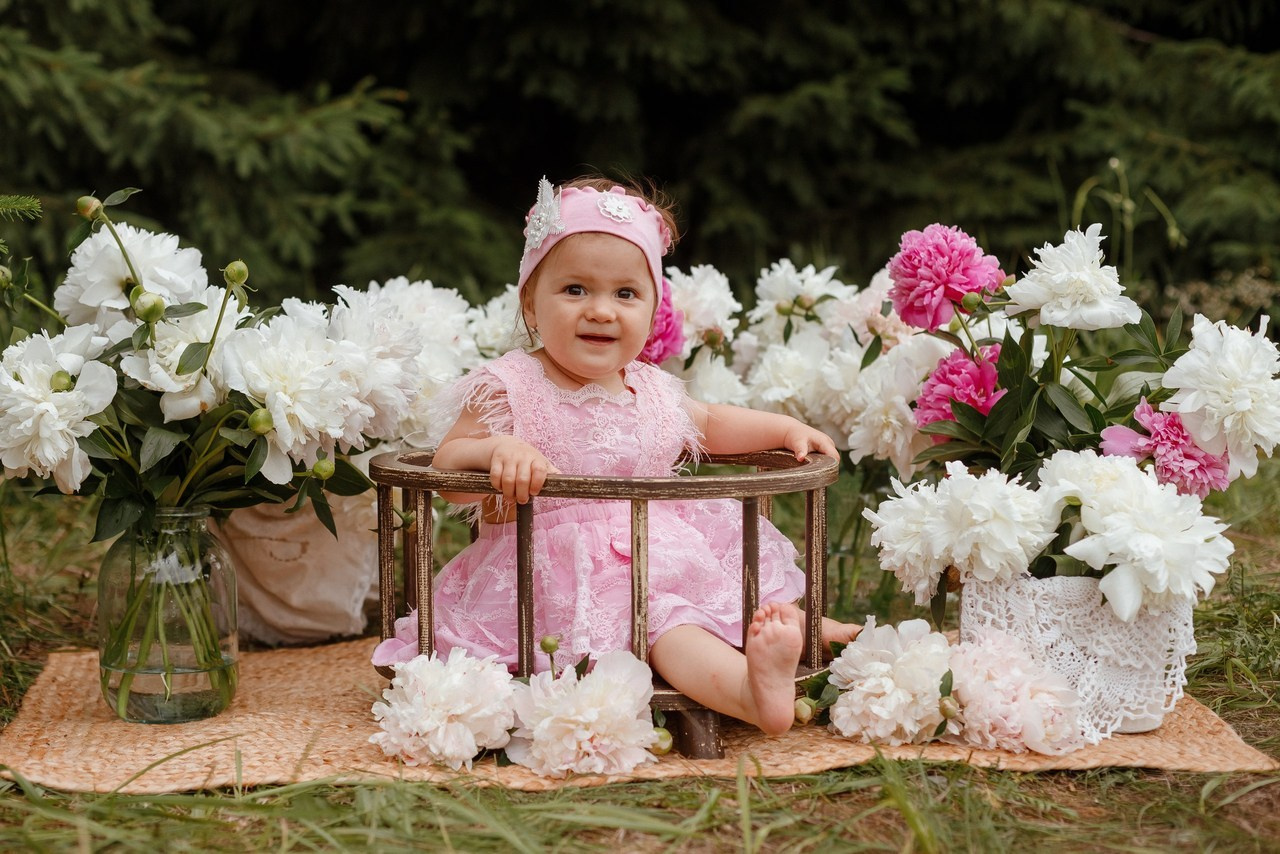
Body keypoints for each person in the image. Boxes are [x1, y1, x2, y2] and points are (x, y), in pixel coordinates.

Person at [372, 175, 859, 735]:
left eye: (626, 294)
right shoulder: (511, 386)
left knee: (714, 591)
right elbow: (449, 473)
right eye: (575, 289)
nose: (601, 311)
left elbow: (712, 422)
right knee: (665, 625)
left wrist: (784, 426)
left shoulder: (651, 388)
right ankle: (752, 693)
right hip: (556, 577)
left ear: (652, 312)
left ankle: (799, 630)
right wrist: (495, 451)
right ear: (531, 301)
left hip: (659, 552)